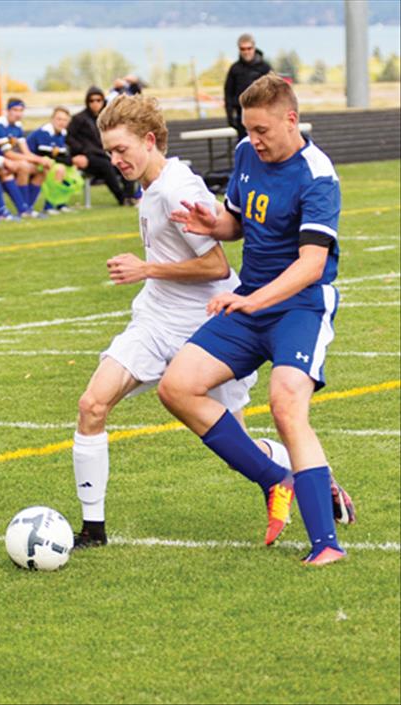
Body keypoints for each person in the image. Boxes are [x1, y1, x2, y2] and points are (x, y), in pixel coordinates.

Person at [70, 93, 353, 551]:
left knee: (267, 423)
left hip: (234, 313)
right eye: (110, 153)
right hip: (166, 318)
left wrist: (149, 269)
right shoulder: (230, 159)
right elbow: (235, 223)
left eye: (121, 150)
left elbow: (230, 268)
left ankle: (316, 506)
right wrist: (215, 223)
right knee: (94, 404)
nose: (115, 160)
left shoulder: (186, 185)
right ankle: (93, 529)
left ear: (148, 140)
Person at [159, 73, 352, 566]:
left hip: (299, 306)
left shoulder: (317, 174)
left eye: (263, 129)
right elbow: (239, 221)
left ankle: (326, 543)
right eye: (248, 128)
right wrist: (213, 226)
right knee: (177, 387)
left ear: (291, 119)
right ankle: (275, 479)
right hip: (251, 302)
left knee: (286, 404)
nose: (254, 139)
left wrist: (253, 299)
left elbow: (310, 266)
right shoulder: (248, 152)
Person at [66, 86, 138, 206]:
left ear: (103, 101)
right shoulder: (79, 119)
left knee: (125, 163)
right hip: (89, 157)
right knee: (106, 167)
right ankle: (122, 198)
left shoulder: (107, 118)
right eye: (91, 100)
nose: (95, 103)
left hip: (105, 154)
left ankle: (130, 196)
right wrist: (81, 150)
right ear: (87, 102)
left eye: (98, 100)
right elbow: (69, 138)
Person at [0, 98, 52, 217]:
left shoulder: (17, 126)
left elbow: (26, 151)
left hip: (9, 162)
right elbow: (8, 154)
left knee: (42, 169)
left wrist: (42, 161)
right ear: (7, 111)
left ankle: (28, 207)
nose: (18, 113)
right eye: (15, 110)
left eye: (21, 110)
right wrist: (38, 159)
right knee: (24, 166)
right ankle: (23, 209)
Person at [26, 106, 86, 214]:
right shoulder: (44, 132)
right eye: (59, 119)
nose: (61, 122)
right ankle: (49, 205)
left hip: (47, 162)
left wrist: (74, 161)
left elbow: (60, 155)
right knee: (59, 169)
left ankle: (61, 203)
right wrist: (72, 160)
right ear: (52, 119)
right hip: (34, 162)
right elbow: (46, 155)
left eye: (65, 120)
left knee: (71, 172)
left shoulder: (62, 133)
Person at [224, 33, 272, 141]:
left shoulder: (264, 68)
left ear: (254, 48)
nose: (246, 52)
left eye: (249, 48)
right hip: (242, 118)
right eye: (243, 49)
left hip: (263, 116)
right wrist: (230, 116)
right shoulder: (235, 69)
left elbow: (274, 92)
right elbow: (228, 93)